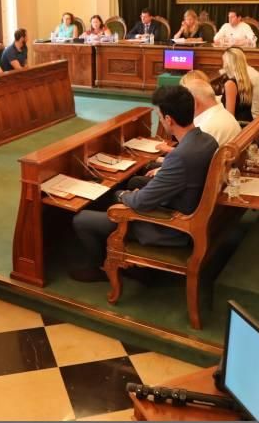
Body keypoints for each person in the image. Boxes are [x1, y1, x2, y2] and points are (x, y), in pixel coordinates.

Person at [70, 86, 217, 282]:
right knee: (131, 185)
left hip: (171, 228)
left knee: (82, 218)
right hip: (189, 209)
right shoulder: (207, 140)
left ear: (168, 120)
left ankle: (100, 268)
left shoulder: (181, 157)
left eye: (159, 115)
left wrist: (123, 196)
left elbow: (140, 203)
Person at [182, 72, 242, 146]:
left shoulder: (204, 130)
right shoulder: (222, 113)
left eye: (184, 100)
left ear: (194, 102)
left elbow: (186, 155)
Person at [220, 48, 259, 120]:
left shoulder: (231, 83)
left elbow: (229, 117)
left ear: (228, 63)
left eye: (224, 61)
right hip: (253, 116)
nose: (223, 65)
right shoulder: (247, 76)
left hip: (246, 123)